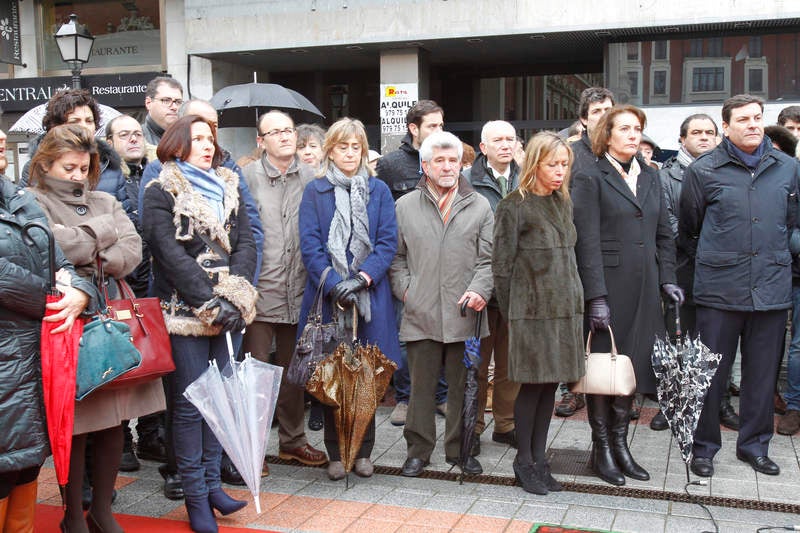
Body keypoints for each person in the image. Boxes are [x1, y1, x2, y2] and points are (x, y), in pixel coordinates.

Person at [27, 124, 165, 533]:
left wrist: (85, 243)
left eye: (84, 168)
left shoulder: (105, 197)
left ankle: (102, 510)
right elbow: (51, 247)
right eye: (68, 167)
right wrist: (103, 232)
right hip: (67, 315)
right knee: (77, 422)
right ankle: (73, 514)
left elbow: (132, 252)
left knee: (115, 418)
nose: (77, 176)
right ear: (46, 164)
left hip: (112, 310)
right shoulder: (32, 201)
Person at [138, 98, 265, 492]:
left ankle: (214, 488)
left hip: (231, 310)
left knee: (223, 401)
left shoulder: (231, 184)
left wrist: (235, 298)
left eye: (211, 138)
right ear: (177, 144)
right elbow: (170, 255)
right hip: (186, 312)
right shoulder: (160, 190)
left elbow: (247, 244)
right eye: (198, 139)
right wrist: (210, 304)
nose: (208, 145)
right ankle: (194, 494)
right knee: (193, 405)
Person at [680, 94, 800, 478]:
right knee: (710, 373)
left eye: (757, 117)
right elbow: (689, 229)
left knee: (762, 376)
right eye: (744, 119)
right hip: (719, 290)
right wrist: (723, 257)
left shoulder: (787, 168)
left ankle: (754, 446)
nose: (752, 124)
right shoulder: (704, 170)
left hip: (771, 287)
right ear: (726, 126)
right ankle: (703, 447)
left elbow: (794, 222)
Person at [572, 104, 681, 486]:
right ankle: (601, 447)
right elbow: (585, 241)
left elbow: (664, 233)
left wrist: (668, 278)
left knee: (631, 366)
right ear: (607, 134)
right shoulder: (589, 176)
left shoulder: (651, 176)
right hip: (609, 287)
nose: (634, 135)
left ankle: (621, 445)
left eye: (638, 129)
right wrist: (596, 295)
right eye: (626, 129)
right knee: (604, 369)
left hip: (646, 286)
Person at [0, 124, 96, 533]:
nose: (1, 140)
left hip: (35, 363)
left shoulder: (19, 199)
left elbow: (64, 265)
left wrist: (82, 293)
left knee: (24, 471)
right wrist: (51, 298)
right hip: (7, 361)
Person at [298, 117, 400, 481]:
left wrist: (360, 279)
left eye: (356, 147)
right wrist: (334, 282)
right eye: (343, 146)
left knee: (368, 376)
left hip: (371, 296)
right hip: (328, 299)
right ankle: (336, 454)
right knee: (333, 377)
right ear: (330, 150)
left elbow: (388, 242)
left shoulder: (379, 191)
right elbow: (309, 245)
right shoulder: (316, 190)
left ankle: (363, 452)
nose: (350, 153)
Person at [392, 131, 493, 478]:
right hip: (421, 313)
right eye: (440, 161)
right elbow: (396, 258)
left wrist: (481, 290)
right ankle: (418, 452)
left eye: (453, 160)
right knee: (420, 389)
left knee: (464, 387)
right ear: (425, 165)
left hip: (466, 313)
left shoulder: (479, 205)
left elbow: (489, 259)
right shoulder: (405, 205)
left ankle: (460, 451)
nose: (448, 167)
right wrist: (407, 292)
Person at [493, 131, 584, 495]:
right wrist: (516, 312)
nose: (560, 171)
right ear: (534, 164)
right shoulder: (514, 205)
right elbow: (501, 266)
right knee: (531, 388)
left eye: (564, 164)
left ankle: (539, 460)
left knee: (549, 387)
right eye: (552, 165)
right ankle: (523, 462)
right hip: (530, 314)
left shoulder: (562, 201)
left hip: (564, 311)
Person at [241, 111, 326, 467]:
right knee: (257, 372)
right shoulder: (246, 177)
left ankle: (292, 440)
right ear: (261, 141)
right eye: (274, 132)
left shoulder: (312, 177)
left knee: (295, 374)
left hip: (301, 290)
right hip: (260, 291)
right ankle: (251, 446)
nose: (284, 137)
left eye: (288, 130)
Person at [651, 114, 738, 432]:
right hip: (683, 270)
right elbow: (666, 222)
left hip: (723, 274)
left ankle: (720, 402)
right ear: (681, 139)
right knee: (678, 341)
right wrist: (703, 247)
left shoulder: (731, 173)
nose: (705, 137)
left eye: (710, 132)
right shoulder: (665, 176)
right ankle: (673, 404)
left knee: (719, 341)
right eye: (697, 132)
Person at [375, 99, 448, 427]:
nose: (439, 131)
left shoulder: (449, 161)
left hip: (443, 264)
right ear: (413, 129)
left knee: (443, 331)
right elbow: (383, 217)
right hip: (405, 264)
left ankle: (442, 395)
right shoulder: (391, 165)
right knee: (406, 335)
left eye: (442, 125)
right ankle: (405, 398)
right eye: (432, 126)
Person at [556, 87, 615, 419]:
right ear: (583, 119)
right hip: (573, 255)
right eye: (596, 111)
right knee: (575, 330)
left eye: (609, 109)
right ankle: (571, 389)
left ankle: (619, 389)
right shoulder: (571, 155)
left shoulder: (622, 154)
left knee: (612, 328)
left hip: (614, 255)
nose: (604, 115)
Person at [105, 114, 159, 472]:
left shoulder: (154, 171)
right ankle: (122, 437)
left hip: (153, 281)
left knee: (155, 362)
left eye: (137, 133)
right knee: (123, 363)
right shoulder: (107, 179)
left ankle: (152, 433)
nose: (133, 139)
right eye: (124, 134)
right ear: (110, 141)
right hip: (121, 282)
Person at [464, 120, 521, 453]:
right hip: (480, 285)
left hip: (516, 288)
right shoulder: (467, 180)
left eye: (510, 139)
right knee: (476, 364)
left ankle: (506, 424)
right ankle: (473, 425)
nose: (505, 145)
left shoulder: (526, 177)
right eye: (497, 140)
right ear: (483, 148)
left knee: (510, 364)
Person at [20, 89, 129, 215]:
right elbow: (29, 217)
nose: (84, 126)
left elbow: (125, 217)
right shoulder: (35, 167)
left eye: (89, 121)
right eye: (74, 121)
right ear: (56, 127)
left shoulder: (110, 165)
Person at [142, 76, 184, 145]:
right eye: (166, 100)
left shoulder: (188, 137)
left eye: (178, 102)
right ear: (148, 103)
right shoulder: (138, 139)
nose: (174, 107)